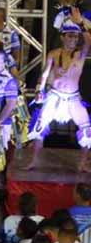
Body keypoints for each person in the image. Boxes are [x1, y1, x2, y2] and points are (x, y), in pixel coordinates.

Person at [34, 11, 91, 147]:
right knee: (38, 129)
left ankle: (83, 165)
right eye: (70, 36)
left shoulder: (80, 55)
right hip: (55, 95)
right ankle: (33, 162)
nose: (74, 39)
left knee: (88, 132)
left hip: (73, 97)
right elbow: (44, 74)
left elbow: (89, 41)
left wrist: (81, 24)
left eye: (76, 37)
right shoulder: (54, 54)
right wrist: (39, 90)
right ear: (62, 37)